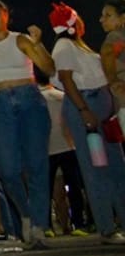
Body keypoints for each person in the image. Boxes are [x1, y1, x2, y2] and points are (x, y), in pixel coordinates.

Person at [0, 0, 55, 246]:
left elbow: (48, 68)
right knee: (7, 169)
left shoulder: (20, 40)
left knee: (37, 165)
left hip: (29, 98)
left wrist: (38, 43)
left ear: (6, 15)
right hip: (1, 103)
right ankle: (26, 213)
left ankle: (39, 225)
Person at [49, 3, 125, 243]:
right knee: (97, 168)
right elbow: (66, 79)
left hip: (102, 110)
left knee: (117, 166)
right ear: (72, 23)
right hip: (87, 110)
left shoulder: (79, 45)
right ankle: (106, 227)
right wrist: (84, 111)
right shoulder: (64, 46)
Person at [37, 70, 89, 236]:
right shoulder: (62, 96)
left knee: (45, 189)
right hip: (68, 146)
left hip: (46, 149)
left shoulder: (36, 99)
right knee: (74, 188)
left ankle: (47, 226)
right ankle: (79, 223)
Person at [99, 0, 125, 114]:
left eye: (108, 15)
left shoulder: (115, 35)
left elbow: (107, 53)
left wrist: (113, 81)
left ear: (123, 17)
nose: (101, 19)